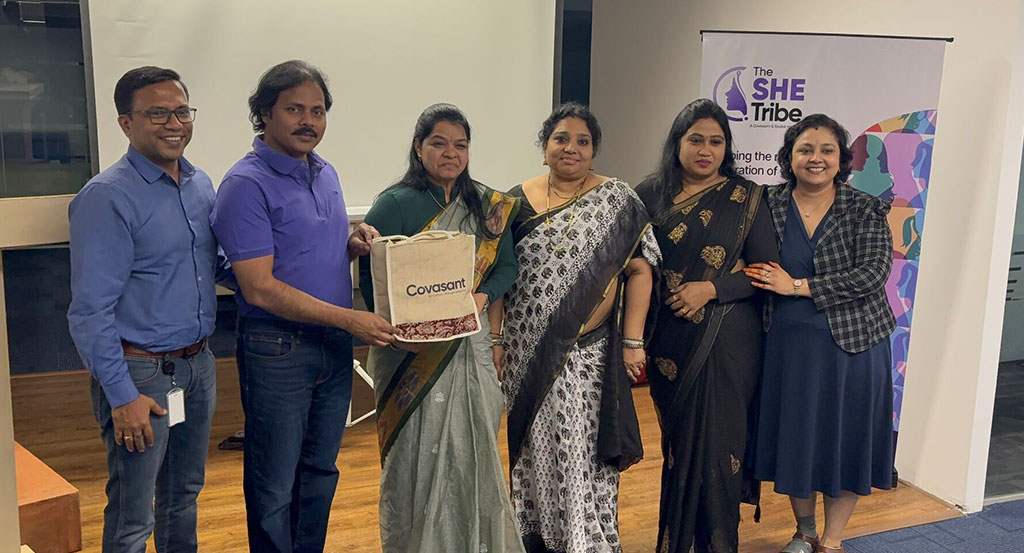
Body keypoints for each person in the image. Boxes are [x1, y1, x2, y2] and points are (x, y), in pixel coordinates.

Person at [210, 60, 398, 553]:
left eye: (317, 111)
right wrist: (351, 319)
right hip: (277, 348)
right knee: (274, 484)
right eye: (294, 109)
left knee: (318, 471)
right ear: (264, 113)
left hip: (331, 344)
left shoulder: (325, 171)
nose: (308, 121)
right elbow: (259, 288)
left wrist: (351, 243)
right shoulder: (245, 185)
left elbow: (307, 252)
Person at [68, 66, 230, 552]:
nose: (174, 124)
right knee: (134, 515)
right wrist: (122, 397)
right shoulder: (106, 197)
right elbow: (90, 312)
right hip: (141, 375)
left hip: (198, 364)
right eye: (157, 113)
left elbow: (216, 267)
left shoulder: (200, 184)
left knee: (184, 495)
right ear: (126, 123)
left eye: (182, 111)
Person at [357, 103, 525, 553]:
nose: (451, 153)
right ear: (418, 148)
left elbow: (506, 266)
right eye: (439, 143)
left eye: (460, 145)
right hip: (408, 352)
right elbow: (374, 279)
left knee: (474, 449)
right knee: (414, 454)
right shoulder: (395, 203)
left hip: (469, 343)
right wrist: (399, 333)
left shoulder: (487, 205)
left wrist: (481, 298)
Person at [497, 102, 660, 553]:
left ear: (593, 150)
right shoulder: (512, 203)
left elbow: (641, 271)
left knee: (582, 445)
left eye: (582, 141)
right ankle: (539, 536)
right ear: (544, 147)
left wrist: (633, 341)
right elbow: (497, 278)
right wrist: (495, 341)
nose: (571, 148)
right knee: (536, 443)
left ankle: (585, 538)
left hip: (591, 352)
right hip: (527, 350)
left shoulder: (618, 200)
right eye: (561, 139)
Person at [744, 114, 896, 553]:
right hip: (786, 347)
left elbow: (872, 274)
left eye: (827, 150)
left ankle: (832, 539)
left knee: (845, 441)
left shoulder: (864, 207)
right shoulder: (764, 203)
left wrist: (797, 286)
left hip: (855, 346)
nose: (816, 158)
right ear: (789, 157)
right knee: (798, 439)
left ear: (841, 159)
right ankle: (805, 530)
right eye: (805, 149)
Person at [635, 98, 778, 553]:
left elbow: (765, 270)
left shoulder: (746, 197)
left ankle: (718, 544)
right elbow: (631, 268)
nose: (706, 150)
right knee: (679, 449)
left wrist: (711, 288)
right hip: (668, 339)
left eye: (716, 142)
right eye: (696, 139)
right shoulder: (648, 195)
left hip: (727, 339)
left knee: (719, 447)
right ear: (677, 142)